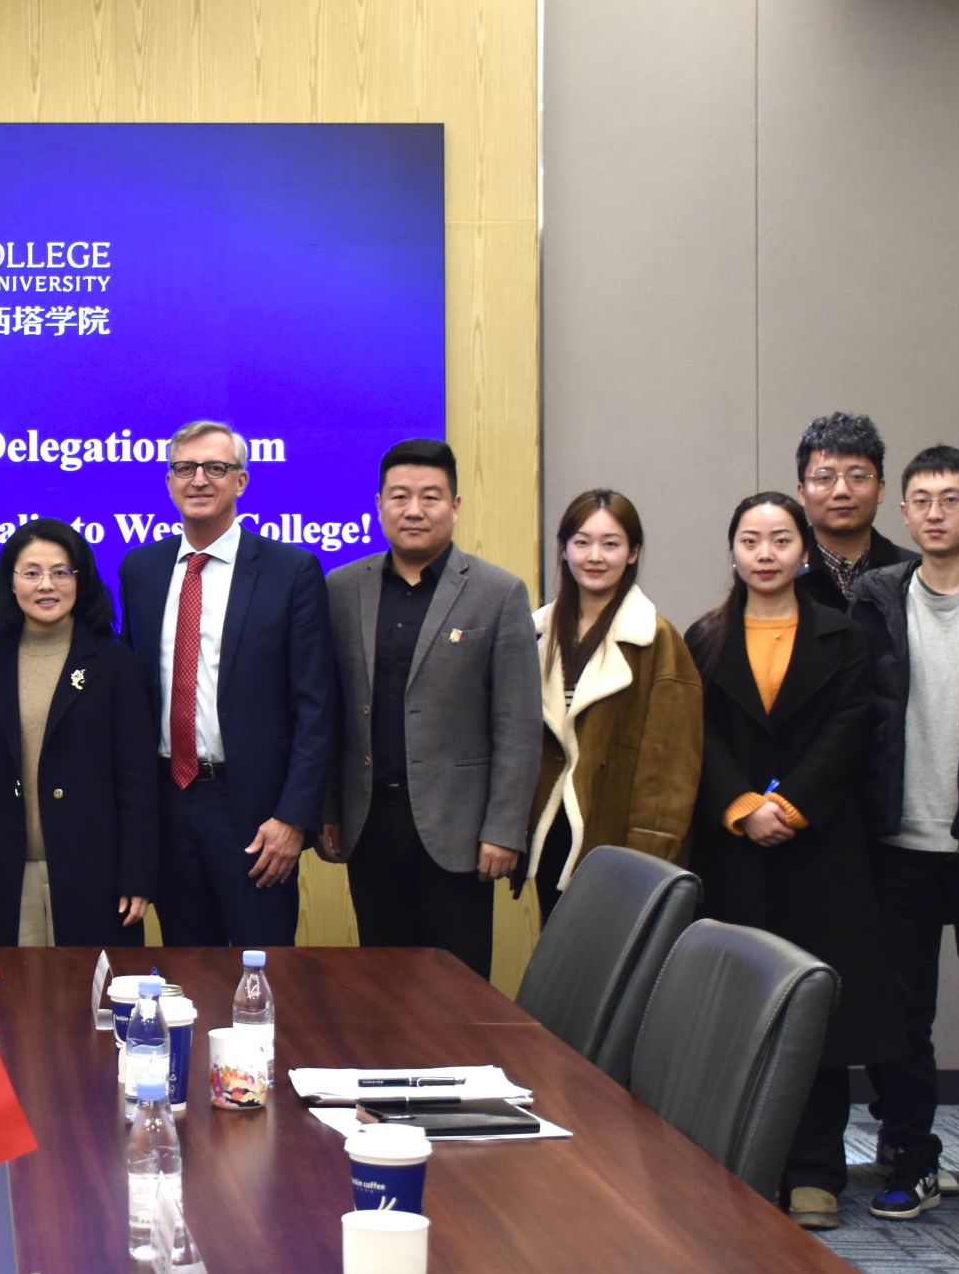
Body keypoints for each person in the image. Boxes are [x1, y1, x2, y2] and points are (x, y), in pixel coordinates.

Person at [686, 491, 897, 1232]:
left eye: (780, 539)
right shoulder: (705, 637)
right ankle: (743, 1166)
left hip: (820, 849)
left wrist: (791, 805)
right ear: (733, 550)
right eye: (751, 539)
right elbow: (695, 734)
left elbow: (850, 730)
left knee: (817, 1016)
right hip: (733, 849)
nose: (766, 553)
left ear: (803, 550)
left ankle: (814, 1172)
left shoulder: (845, 636)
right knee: (739, 1009)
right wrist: (743, 805)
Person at [322, 438, 542, 980]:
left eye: (430, 497)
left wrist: (504, 829)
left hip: (459, 830)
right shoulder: (342, 588)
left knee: (457, 988)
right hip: (370, 824)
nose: (414, 510)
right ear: (379, 505)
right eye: (399, 497)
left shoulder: (499, 593)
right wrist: (328, 811)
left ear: (456, 505)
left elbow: (518, 726)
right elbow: (328, 712)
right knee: (382, 982)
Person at [116, 420, 336, 947]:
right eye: (185, 468)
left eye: (215, 468)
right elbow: (131, 698)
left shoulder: (291, 571)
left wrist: (293, 817)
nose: (199, 480)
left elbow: (317, 708)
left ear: (241, 481)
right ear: (169, 482)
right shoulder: (141, 570)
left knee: (262, 968)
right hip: (167, 803)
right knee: (185, 966)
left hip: (255, 813)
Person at [850, 446, 959, 1229]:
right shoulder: (876, 599)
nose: (936, 512)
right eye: (922, 500)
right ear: (903, 513)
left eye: (952, 497)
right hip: (899, 842)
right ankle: (910, 1160)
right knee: (900, 1016)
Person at [0, 519, 158, 946]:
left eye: (61, 572)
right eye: (31, 573)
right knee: (14, 988)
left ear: (80, 580)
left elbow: (138, 780)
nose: (46, 585)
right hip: (3, 874)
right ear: (11, 583)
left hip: (95, 874)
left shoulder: (116, 666)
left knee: (90, 989)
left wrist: (138, 874)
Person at [526, 490, 702, 922]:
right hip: (551, 832)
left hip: (617, 838)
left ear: (633, 552)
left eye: (611, 544)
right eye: (582, 542)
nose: (595, 556)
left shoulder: (657, 640)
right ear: (563, 549)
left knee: (609, 954)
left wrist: (650, 852)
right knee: (558, 948)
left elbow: (671, 764)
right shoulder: (535, 632)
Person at [796, 412, 908, 612]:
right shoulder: (784, 574)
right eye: (824, 478)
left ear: (880, 489)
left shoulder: (912, 573)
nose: (842, 491)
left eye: (857, 477)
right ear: (802, 493)